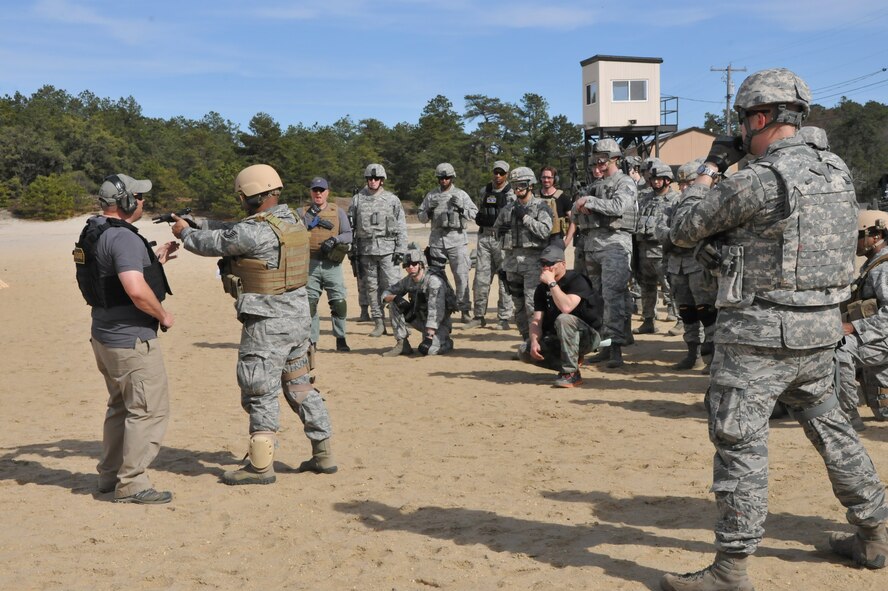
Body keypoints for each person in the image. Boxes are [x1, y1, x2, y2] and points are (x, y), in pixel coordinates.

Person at [661, 68, 888, 591]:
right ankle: (874, 531)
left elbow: (680, 227)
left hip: (758, 337)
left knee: (739, 445)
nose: (741, 133)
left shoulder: (759, 179)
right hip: (822, 332)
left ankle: (731, 569)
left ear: (760, 118)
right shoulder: (837, 171)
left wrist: (708, 172)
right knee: (834, 433)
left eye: (744, 123)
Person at [171, 164, 337, 485]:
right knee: (299, 384)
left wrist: (186, 233)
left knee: (258, 385)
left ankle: (260, 467)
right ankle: (323, 452)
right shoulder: (292, 220)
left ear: (251, 194)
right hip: (298, 318)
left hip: (267, 322)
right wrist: (201, 222)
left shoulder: (253, 231)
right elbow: (235, 229)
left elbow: (216, 243)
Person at [74, 173, 177, 504]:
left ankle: (110, 476)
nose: (144, 202)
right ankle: (132, 482)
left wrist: (155, 259)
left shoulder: (94, 231)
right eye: (140, 197)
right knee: (147, 410)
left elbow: (111, 279)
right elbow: (134, 290)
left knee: (120, 406)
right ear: (128, 202)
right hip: (130, 340)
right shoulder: (124, 238)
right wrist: (163, 315)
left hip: (103, 336)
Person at [571, 139, 638, 368]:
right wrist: (582, 203)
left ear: (613, 158)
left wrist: (590, 202)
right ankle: (606, 345)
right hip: (592, 245)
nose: (597, 162)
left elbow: (619, 207)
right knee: (598, 299)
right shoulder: (594, 184)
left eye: (601, 157)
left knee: (614, 297)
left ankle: (616, 349)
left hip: (614, 244)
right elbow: (574, 211)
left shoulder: (625, 182)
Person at [655, 159, 718, 371]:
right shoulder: (673, 204)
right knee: (686, 311)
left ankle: (712, 359)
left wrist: (679, 237)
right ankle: (693, 354)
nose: (682, 188)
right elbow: (659, 229)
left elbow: (703, 232)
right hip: (676, 265)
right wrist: (678, 238)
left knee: (707, 312)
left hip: (698, 265)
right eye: (680, 184)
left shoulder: (708, 203)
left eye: (688, 183)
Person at [517, 243, 600, 388]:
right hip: (561, 338)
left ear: (562, 264)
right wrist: (535, 341)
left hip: (588, 336)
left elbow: (566, 307)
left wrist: (551, 283)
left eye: (549, 264)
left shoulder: (577, 280)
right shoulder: (541, 289)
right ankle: (571, 362)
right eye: (542, 263)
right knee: (524, 351)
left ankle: (571, 374)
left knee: (563, 318)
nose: (545, 268)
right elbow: (537, 320)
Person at [836, 209, 888, 431]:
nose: (853, 242)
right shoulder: (873, 264)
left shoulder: (884, 268)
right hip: (877, 337)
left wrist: (854, 327)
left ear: (875, 235)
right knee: (882, 410)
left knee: (839, 349)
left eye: (857, 235)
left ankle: (848, 416)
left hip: (881, 338)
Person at [493, 166, 553, 341]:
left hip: (533, 262)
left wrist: (525, 218)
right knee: (517, 305)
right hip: (512, 262)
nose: (517, 189)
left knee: (532, 304)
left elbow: (544, 231)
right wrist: (500, 231)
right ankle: (526, 339)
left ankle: (538, 340)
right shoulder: (508, 209)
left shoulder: (541, 206)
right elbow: (495, 231)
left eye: (521, 185)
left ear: (530, 185)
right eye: (514, 186)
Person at [349, 163, 408, 337]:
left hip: (388, 250)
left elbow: (402, 226)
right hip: (366, 250)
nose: (373, 181)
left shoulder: (392, 200)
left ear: (382, 180)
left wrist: (401, 250)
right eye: (370, 178)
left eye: (376, 178)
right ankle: (379, 323)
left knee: (392, 287)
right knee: (371, 288)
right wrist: (353, 252)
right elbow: (351, 227)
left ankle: (396, 322)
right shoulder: (357, 199)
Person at [417, 163, 478, 323]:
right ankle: (441, 308)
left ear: (452, 178)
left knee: (461, 276)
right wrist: (429, 210)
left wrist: (462, 208)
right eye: (441, 178)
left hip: (457, 240)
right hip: (437, 242)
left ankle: (465, 310)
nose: (444, 180)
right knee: (437, 278)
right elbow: (421, 217)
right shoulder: (431, 196)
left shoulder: (461, 194)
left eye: (447, 177)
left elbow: (475, 214)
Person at [297, 177, 352, 352]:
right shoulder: (302, 212)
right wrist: (310, 216)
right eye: (315, 190)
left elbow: (349, 235)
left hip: (332, 265)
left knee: (339, 302)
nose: (318, 193)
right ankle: (312, 340)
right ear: (311, 192)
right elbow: (295, 232)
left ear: (327, 192)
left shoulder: (338, 212)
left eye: (321, 190)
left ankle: (340, 337)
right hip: (310, 264)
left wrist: (334, 239)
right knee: (310, 303)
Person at [381, 243, 456, 356]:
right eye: (407, 265)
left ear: (421, 265)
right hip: (420, 319)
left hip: (438, 323)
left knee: (429, 351)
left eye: (414, 264)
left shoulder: (433, 281)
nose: (411, 267)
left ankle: (446, 342)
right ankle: (402, 344)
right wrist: (395, 297)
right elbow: (386, 293)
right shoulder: (408, 281)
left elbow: (436, 310)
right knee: (393, 305)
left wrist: (429, 336)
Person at [465, 160, 514, 330]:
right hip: (484, 238)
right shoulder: (484, 191)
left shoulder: (511, 193)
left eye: (501, 173)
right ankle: (479, 316)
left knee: (504, 279)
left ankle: (504, 318)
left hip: (501, 239)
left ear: (507, 174)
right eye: (496, 172)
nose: (498, 176)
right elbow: (479, 210)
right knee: (481, 279)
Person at [632, 160, 676, 335]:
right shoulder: (645, 199)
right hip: (643, 250)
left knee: (670, 286)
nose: (656, 182)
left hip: (662, 251)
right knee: (646, 286)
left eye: (660, 179)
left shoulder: (675, 200)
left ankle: (678, 317)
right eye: (653, 179)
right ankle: (648, 320)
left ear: (667, 180)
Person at [539, 166, 572, 242]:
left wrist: (566, 242)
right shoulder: (534, 196)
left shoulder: (563, 197)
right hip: (537, 238)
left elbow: (573, 221)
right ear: (540, 178)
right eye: (544, 177)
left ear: (555, 179)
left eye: (549, 177)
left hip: (556, 239)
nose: (546, 180)